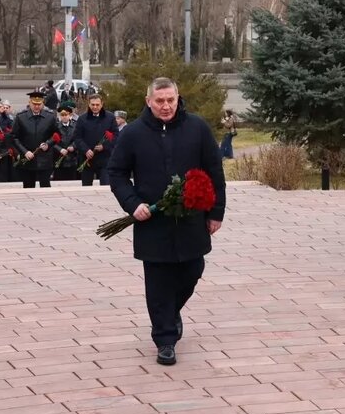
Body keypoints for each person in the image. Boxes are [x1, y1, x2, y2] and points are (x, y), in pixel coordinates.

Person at [107, 77, 226, 366]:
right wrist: (133, 205)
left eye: (170, 100)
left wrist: (216, 212)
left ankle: (170, 313)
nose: (165, 106)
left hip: (191, 218)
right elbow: (117, 173)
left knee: (194, 269)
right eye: (159, 101)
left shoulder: (197, 128)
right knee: (158, 281)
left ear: (177, 97)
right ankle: (165, 340)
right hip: (153, 222)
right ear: (149, 101)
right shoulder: (133, 133)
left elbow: (214, 170)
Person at [13, 90, 61, 188]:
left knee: (45, 186)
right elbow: (14, 137)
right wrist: (25, 152)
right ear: (29, 103)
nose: (36, 106)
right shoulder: (21, 117)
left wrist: (49, 144)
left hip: (45, 158)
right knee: (28, 187)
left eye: (39, 104)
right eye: (34, 104)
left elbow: (57, 134)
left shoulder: (50, 117)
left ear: (43, 103)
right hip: (27, 158)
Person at [74, 94, 118, 186]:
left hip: (104, 159)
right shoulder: (82, 119)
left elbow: (116, 136)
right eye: (92, 104)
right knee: (86, 187)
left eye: (97, 105)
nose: (95, 107)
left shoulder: (110, 118)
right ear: (89, 104)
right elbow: (77, 138)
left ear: (102, 104)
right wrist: (86, 150)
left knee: (106, 186)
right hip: (87, 159)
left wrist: (104, 146)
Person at [54, 103, 81, 181]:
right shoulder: (55, 127)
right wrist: (60, 149)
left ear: (70, 115)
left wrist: (74, 146)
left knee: (72, 181)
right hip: (59, 160)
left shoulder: (76, 126)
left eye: (66, 115)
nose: (64, 117)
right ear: (59, 116)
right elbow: (51, 141)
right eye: (62, 115)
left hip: (72, 159)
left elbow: (79, 138)